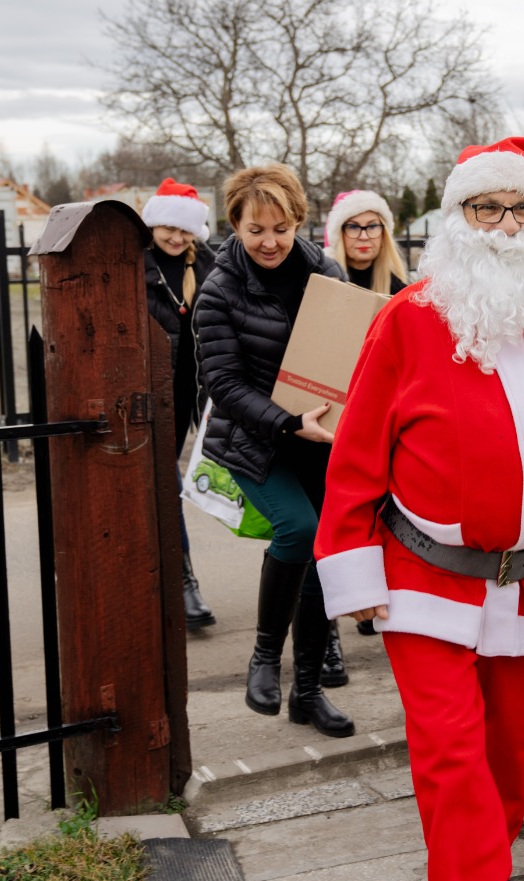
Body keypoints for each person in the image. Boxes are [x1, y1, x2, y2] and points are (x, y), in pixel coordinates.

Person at [314, 137, 524, 881]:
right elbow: (357, 455)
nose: (504, 225)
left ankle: (484, 877)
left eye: (521, 208)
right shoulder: (406, 321)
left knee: (506, 751)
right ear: (456, 217)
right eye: (486, 207)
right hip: (423, 579)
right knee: (451, 756)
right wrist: (351, 561)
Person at [192, 163, 355, 738]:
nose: (270, 241)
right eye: (255, 228)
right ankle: (264, 655)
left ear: (297, 224)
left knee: (324, 556)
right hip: (257, 442)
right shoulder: (219, 289)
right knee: (300, 530)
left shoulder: (324, 271)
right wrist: (287, 423)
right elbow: (225, 386)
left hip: (322, 439)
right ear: (234, 223)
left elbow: (351, 347)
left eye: (281, 228)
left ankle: (307, 693)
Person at [317, 189, 410, 682]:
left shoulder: (400, 286)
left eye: (374, 226)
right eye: (355, 226)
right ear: (339, 232)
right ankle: (326, 632)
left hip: (378, 414)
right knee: (326, 519)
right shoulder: (324, 281)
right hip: (326, 413)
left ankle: (371, 597)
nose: (365, 237)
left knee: (381, 508)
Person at [141, 177, 217, 630]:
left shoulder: (208, 266)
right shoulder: (136, 266)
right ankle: (183, 583)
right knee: (166, 492)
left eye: (185, 230)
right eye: (168, 227)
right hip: (152, 397)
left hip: (196, 397)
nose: (176, 237)